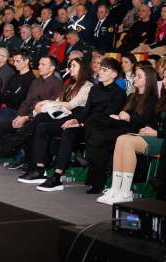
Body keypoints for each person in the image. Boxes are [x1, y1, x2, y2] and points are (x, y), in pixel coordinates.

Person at [19, 57, 126, 192]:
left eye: (105, 70)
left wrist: (81, 124)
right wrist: (76, 120)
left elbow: (106, 116)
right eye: (101, 69)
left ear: (114, 74)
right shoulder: (95, 89)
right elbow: (86, 110)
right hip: (85, 124)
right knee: (43, 127)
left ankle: (57, 177)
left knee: (69, 131)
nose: (100, 72)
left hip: (99, 127)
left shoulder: (119, 93)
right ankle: (39, 170)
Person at [97, 66, 166, 205]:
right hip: (157, 136)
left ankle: (125, 192)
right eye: (164, 77)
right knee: (122, 139)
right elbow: (157, 121)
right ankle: (115, 188)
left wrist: (157, 132)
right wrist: (150, 128)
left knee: (128, 142)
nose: (164, 80)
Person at [83, 64, 159, 194]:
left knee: (101, 136)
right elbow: (123, 113)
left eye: (139, 76)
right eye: (135, 75)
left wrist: (127, 117)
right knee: (96, 125)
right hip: (123, 125)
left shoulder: (152, 99)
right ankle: (94, 171)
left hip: (137, 130)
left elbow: (144, 121)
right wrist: (119, 116)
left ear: (149, 80)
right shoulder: (132, 96)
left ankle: (97, 177)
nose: (135, 78)